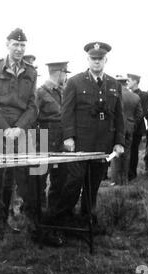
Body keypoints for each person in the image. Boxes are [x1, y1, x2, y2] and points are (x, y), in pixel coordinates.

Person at [45, 42, 125, 238]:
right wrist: (69, 137)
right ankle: (60, 221)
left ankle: (87, 220)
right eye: (93, 58)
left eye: (100, 58)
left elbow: (119, 116)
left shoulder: (114, 85)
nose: (97, 62)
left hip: (102, 145)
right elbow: (67, 112)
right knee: (73, 182)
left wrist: (119, 142)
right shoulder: (75, 82)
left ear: (106, 60)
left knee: (94, 183)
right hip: (79, 144)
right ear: (87, 60)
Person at [0, 28, 38, 242]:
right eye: (15, 44)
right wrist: (5, 129)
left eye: (22, 45)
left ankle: (5, 219)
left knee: (11, 177)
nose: (19, 49)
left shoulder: (31, 71)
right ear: (7, 45)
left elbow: (33, 107)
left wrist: (19, 128)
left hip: (19, 130)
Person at [35, 62, 69, 214]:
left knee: (60, 178)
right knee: (40, 178)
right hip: (44, 138)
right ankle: (38, 213)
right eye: (65, 73)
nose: (66, 76)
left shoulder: (63, 92)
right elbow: (32, 118)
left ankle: (53, 213)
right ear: (59, 73)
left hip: (61, 140)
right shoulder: (40, 92)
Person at [110, 76, 142, 185]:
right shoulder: (135, 96)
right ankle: (125, 180)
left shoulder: (113, 96)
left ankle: (116, 180)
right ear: (125, 83)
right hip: (129, 128)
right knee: (127, 154)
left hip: (115, 129)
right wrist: (132, 124)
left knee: (115, 154)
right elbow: (139, 114)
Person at [127, 73, 148, 180]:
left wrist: (131, 124)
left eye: (129, 80)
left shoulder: (144, 96)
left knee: (133, 152)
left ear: (135, 81)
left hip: (136, 128)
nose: (127, 82)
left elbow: (142, 113)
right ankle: (124, 173)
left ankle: (132, 174)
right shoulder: (126, 94)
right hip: (126, 127)